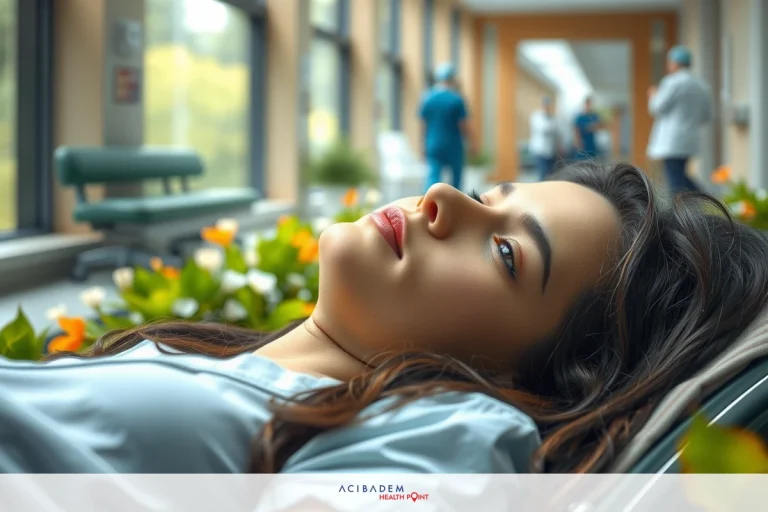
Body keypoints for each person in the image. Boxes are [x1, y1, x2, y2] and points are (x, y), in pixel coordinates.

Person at [3, 163, 768, 475]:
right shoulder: (231, 364)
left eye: (505, 252)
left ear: (523, 373)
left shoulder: (449, 434)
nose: (443, 198)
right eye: (490, 194)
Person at [647, 45, 715, 196]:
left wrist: (653, 95)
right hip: (690, 138)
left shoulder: (672, 82)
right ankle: (705, 199)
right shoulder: (701, 85)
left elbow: (657, 107)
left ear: (675, 63)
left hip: (672, 140)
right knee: (679, 176)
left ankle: (699, 201)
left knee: (676, 182)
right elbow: (707, 115)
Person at [419, 62, 474, 192]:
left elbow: (423, 125)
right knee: (456, 180)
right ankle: (455, 202)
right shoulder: (456, 99)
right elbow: (463, 124)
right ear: (452, 79)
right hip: (453, 145)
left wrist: (423, 145)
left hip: (433, 144)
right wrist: (472, 142)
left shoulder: (427, 98)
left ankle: (429, 201)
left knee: (433, 177)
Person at [529, 96, 560, 181]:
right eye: (546, 105)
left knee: (551, 175)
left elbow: (557, 132)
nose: (547, 107)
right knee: (543, 174)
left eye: (549, 105)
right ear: (542, 105)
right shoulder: (537, 116)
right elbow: (544, 128)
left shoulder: (552, 117)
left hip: (551, 152)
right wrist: (552, 126)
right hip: (540, 151)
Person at [573, 96, 604, 160]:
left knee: (592, 160)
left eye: (590, 104)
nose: (589, 106)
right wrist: (577, 141)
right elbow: (576, 130)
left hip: (592, 143)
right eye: (588, 104)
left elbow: (600, 126)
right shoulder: (580, 117)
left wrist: (593, 127)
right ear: (585, 105)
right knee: (582, 160)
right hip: (583, 143)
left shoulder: (594, 116)